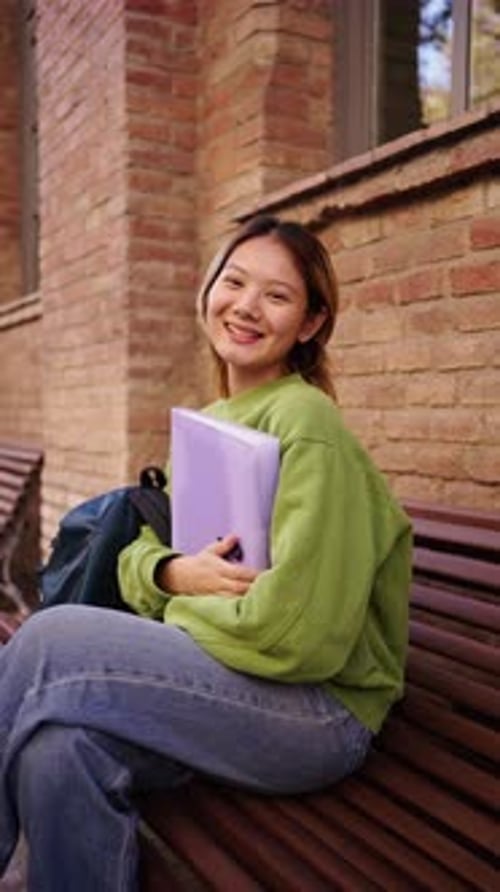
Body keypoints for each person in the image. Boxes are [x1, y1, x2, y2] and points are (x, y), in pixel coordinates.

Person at [0, 215, 412, 891]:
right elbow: (146, 556)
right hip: (231, 688)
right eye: (236, 281)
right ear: (209, 290)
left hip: (313, 714)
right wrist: (171, 572)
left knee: (47, 640)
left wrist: (174, 607)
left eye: (277, 296)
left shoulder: (307, 424)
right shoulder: (211, 423)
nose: (247, 306)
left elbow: (302, 638)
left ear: (310, 324)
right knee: (57, 750)